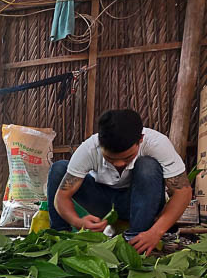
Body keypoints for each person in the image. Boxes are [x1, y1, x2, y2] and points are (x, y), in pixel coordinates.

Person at [47, 109, 192, 256]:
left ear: (140, 139)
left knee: (147, 165)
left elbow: (183, 192)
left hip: (142, 204)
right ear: (99, 144)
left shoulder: (157, 144)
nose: (118, 163)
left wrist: (156, 232)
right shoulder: (89, 148)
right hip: (105, 203)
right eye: (110, 158)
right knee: (59, 169)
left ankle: (137, 240)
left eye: (127, 157)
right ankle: (60, 239)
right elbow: (62, 197)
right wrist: (78, 222)